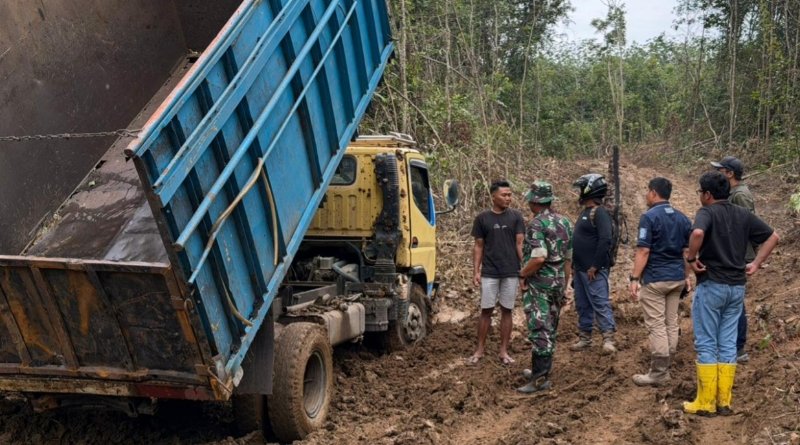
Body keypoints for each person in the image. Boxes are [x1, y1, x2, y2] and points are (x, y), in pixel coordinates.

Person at [683, 171, 779, 416]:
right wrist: (755, 263)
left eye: (700, 193)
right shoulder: (743, 214)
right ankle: (724, 401)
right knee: (727, 343)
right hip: (736, 287)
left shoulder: (707, 212)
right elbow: (773, 236)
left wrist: (691, 257)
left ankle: (704, 402)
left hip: (712, 284)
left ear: (707, 194)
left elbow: (696, 234)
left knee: (706, 342)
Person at [628, 177, 692, 386]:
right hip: (676, 278)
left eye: (648, 191)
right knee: (671, 323)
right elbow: (687, 251)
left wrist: (635, 278)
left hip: (656, 279)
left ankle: (659, 372)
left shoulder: (649, 217)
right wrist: (686, 275)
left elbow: (643, 249)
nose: (647, 195)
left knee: (656, 325)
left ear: (654, 193)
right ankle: (668, 362)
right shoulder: (683, 218)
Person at [516, 181, 573, 393]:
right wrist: (564, 285)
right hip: (558, 281)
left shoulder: (537, 225)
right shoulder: (565, 222)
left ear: (535, 201)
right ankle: (542, 371)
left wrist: (522, 274)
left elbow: (538, 258)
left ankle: (539, 380)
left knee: (540, 328)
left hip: (540, 284)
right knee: (551, 326)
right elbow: (568, 259)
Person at [469, 180, 525, 365]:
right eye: (504, 195)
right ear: (493, 196)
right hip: (490, 272)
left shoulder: (516, 217)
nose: (508, 198)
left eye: (510, 195)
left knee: (507, 310)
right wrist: (476, 271)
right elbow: (478, 246)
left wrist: (524, 271)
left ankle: (503, 351)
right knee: (486, 310)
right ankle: (480, 349)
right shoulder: (482, 219)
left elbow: (520, 244)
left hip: (511, 271)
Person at [711, 156, 755, 363]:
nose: (718, 174)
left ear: (729, 173)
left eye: (720, 170)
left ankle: (738, 348)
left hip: (739, 254)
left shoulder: (740, 196)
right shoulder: (734, 193)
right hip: (736, 253)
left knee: (736, 302)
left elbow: (745, 224)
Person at [569, 173, 617, 354]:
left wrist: (595, 266)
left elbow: (605, 240)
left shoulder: (600, 213)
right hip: (581, 269)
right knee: (582, 304)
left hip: (593, 270)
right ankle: (585, 338)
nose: (579, 193)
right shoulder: (585, 213)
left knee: (600, 302)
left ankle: (608, 339)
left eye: (581, 189)